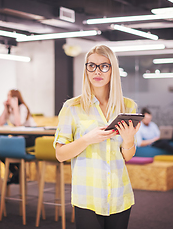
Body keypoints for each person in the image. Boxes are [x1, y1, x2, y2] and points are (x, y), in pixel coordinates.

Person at [54, 45, 140, 229]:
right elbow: (61, 155)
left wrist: (128, 140)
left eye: (104, 66)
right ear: (86, 69)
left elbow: (127, 156)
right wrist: (87, 139)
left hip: (119, 194)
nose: (97, 71)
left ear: (112, 70)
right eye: (91, 66)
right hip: (88, 195)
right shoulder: (72, 107)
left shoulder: (127, 107)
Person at [0, 89, 37, 184]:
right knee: (1, 149)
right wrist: (5, 108)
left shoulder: (22, 107)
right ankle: (17, 173)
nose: (7, 98)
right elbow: (0, 122)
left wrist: (15, 108)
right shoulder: (10, 109)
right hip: (19, 137)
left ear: (16, 98)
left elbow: (19, 124)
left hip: (30, 136)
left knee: (11, 148)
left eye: (9, 96)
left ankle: (18, 174)